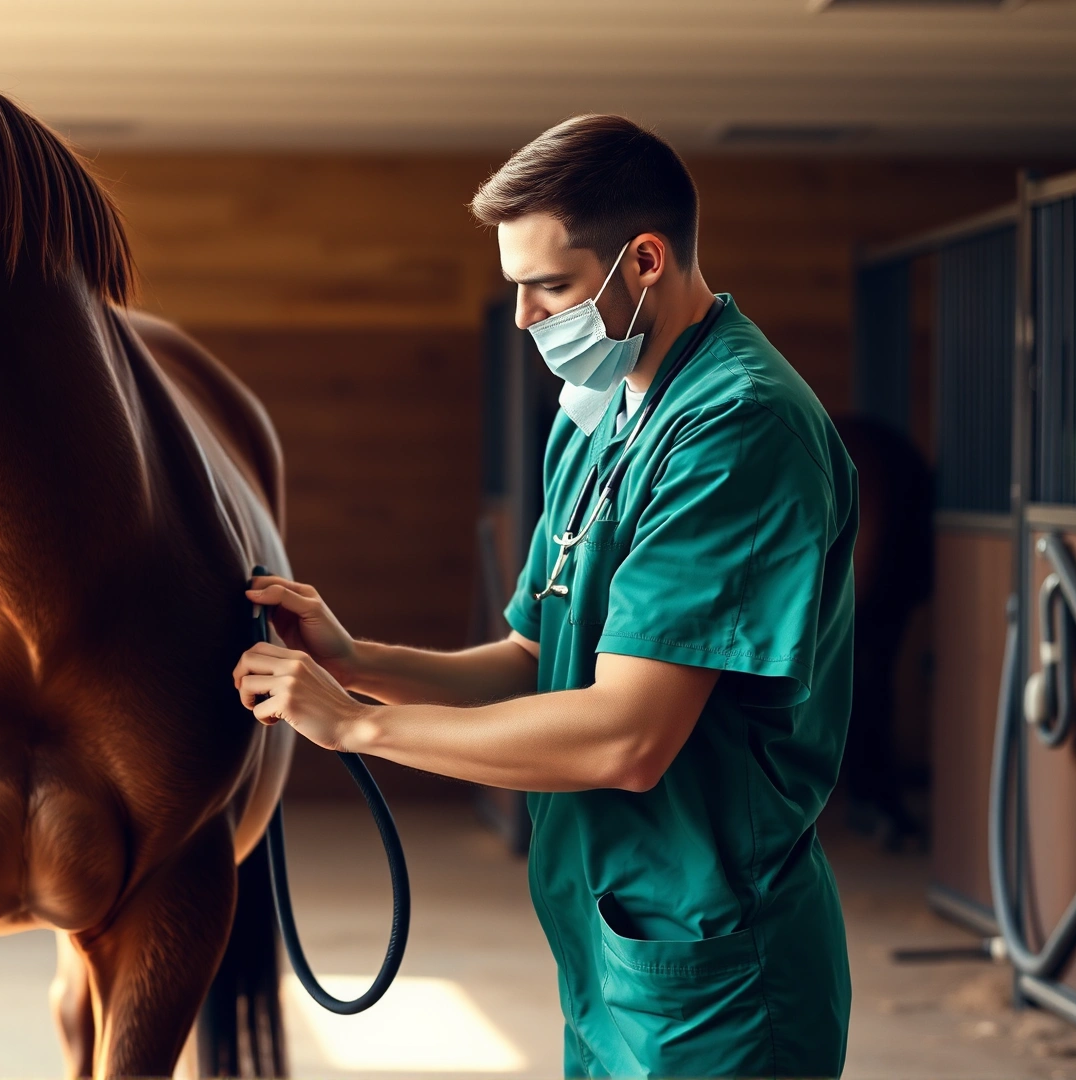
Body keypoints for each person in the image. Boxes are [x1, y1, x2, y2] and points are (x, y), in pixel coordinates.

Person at [234, 114, 856, 1079]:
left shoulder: (738, 428)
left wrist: (357, 727)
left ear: (645, 259)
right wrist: (355, 662)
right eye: (516, 285)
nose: (524, 317)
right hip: (613, 944)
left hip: (717, 964)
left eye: (551, 286)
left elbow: (625, 737)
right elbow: (533, 660)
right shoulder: (598, 416)